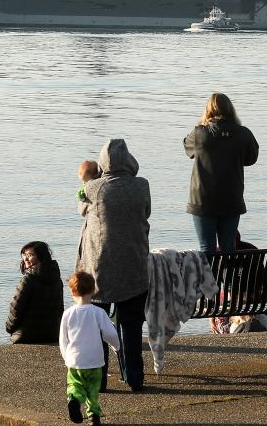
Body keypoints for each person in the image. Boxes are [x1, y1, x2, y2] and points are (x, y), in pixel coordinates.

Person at [76, 138, 150, 392]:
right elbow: (146, 213)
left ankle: (100, 381)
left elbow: (81, 209)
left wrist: (87, 180)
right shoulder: (142, 186)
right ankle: (135, 379)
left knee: (97, 326)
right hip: (135, 267)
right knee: (131, 327)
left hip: (100, 270)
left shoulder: (95, 188)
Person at [184, 93, 259, 253]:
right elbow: (251, 158)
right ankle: (227, 277)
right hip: (231, 199)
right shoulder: (243, 133)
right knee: (228, 247)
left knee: (206, 248)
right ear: (231, 110)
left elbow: (187, 147)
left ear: (208, 111)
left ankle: (209, 278)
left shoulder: (200, 133)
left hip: (202, 201)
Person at [59, 271, 120, 426]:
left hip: (75, 360)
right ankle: (94, 416)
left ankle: (75, 400)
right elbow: (110, 333)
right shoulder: (98, 312)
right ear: (93, 290)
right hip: (95, 360)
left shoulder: (68, 313)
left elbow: (63, 339)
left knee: (75, 385)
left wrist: (67, 357)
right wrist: (116, 346)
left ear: (72, 291)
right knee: (93, 390)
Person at [5, 241, 63, 344]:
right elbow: (60, 309)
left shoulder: (28, 279)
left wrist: (9, 329)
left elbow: (16, 308)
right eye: (24, 254)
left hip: (27, 335)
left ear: (41, 257)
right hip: (53, 334)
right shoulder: (56, 279)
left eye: (30, 255)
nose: (25, 258)